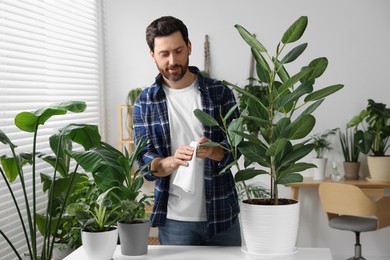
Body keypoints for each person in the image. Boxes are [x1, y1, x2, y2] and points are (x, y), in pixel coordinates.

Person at [133, 16, 241, 246]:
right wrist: (171, 162)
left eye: (178, 50)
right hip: (175, 221)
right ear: (152, 55)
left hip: (223, 215)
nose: (173, 61)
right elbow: (145, 163)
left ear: (189, 47)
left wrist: (216, 152)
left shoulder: (220, 92)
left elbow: (238, 148)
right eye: (164, 54)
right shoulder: (145, 102)